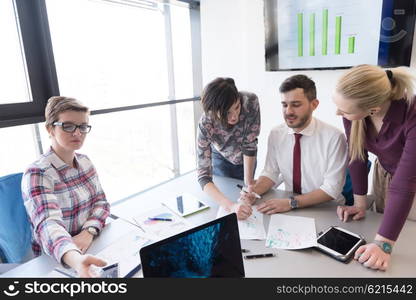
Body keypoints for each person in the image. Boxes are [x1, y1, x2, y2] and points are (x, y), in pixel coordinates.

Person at [333, 64, 416, 271]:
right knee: (380, 221)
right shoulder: (355, 114)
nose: (337, 113)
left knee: (408, 238)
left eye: (344, 110)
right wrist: (359, 204)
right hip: (384, 172)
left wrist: (383, 244)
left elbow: (405, 183)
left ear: (374, 109)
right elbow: (357, 156)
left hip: (410, 180)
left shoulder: (412, 113)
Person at [22, 96, 110, 277]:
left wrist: (88, 231)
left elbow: (101, 203)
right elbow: (48, 225)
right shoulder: (38, 173)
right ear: (50, 129)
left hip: (91, 243)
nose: (78, 133)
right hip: (59, 258)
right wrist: (76, 259)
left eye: (83, 126)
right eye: (68, 126)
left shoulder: (85, 161)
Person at [240, 75, 348, 214]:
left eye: (296, 105)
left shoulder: (334, 137)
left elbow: (331, 189)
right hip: (290, 206)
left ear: (314, 104)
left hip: (326, 209)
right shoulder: (276, 134)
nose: (288, 111)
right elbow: (270, 172)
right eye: (285, 105)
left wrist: (291, 203)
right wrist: (254, 192)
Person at [197, 77, 260, 220]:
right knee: (226, 198)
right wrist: (231, 206)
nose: (234, 116)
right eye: (226, 113)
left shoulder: (250, 101)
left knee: (247, 196)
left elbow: (250, 144)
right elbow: (203, 176)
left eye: (237, 107)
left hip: (247, 157)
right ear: (213, 112)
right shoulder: (206, 123)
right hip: (221, 157)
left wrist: (249, 184)